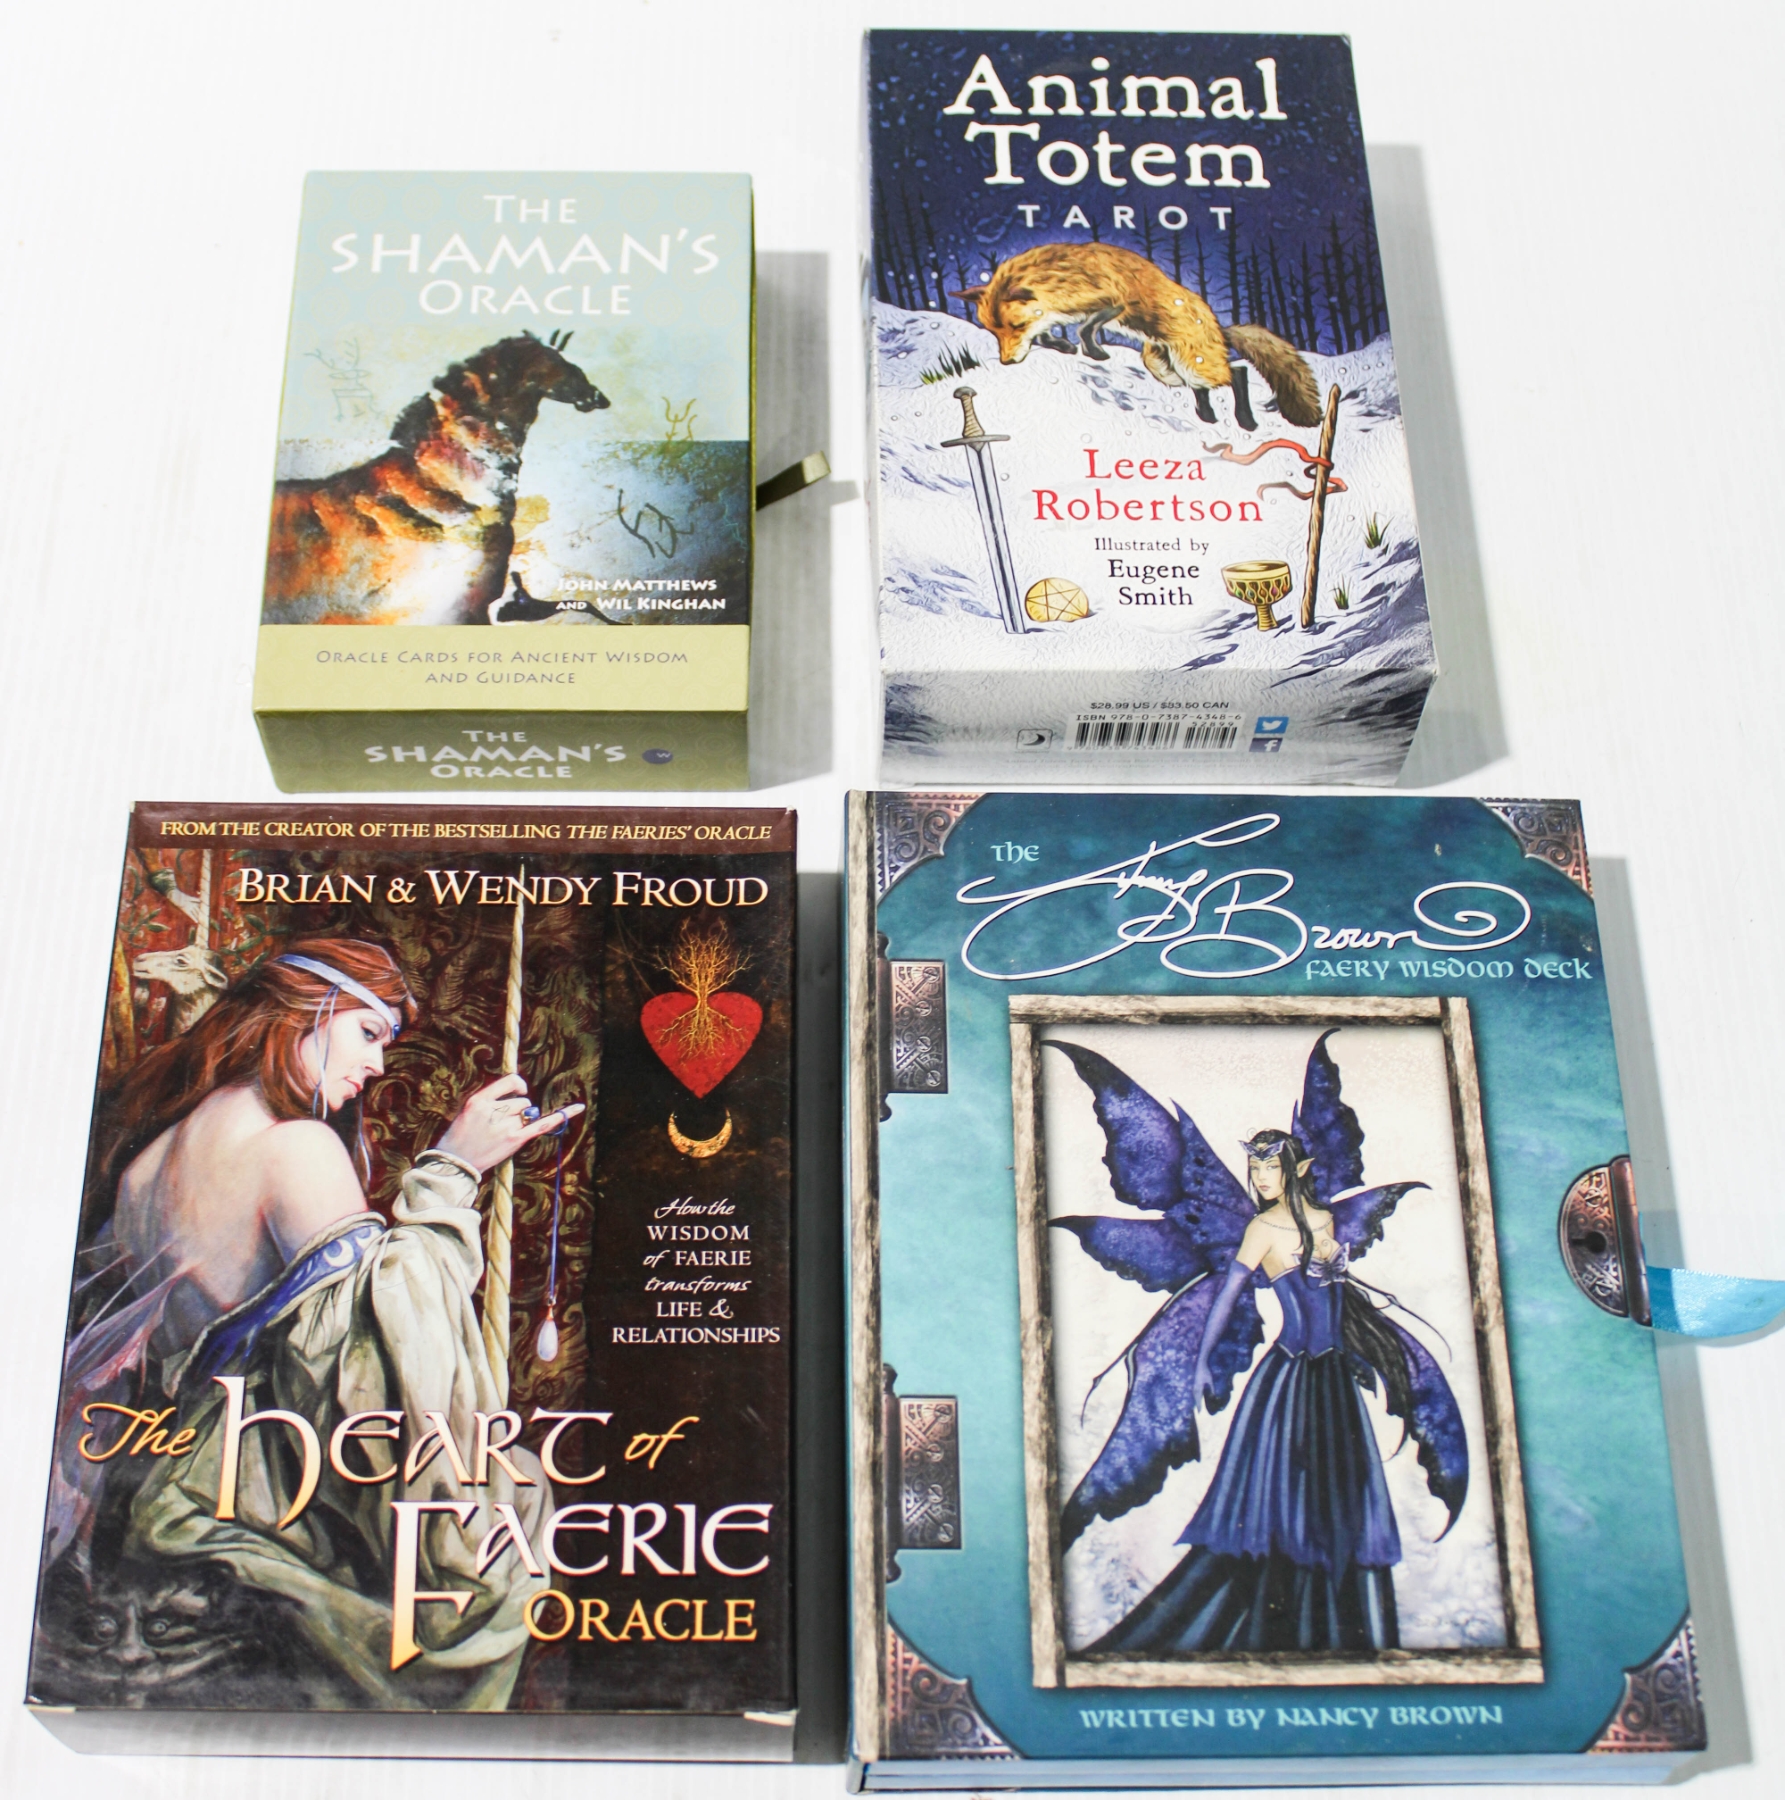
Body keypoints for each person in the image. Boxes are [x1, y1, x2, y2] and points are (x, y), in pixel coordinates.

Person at [41, 938, 580, 1709]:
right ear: (306, 1009)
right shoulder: (294, 1147)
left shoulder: (144, 1166)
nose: (377, 1065)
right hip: (261, 1493)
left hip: (163, 1492)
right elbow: (384, 1354)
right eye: (368, 1032)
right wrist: (452, 1169)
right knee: (513, 1500)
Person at [1089, 1129, 1401, 1655]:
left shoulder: (1325, 1221)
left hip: (1333, 1381)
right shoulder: (1260, 1228)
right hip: (1290, 1377)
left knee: (1337, 1498)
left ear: (1298, 1171)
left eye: (1270, 1168)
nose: (1260, 1178)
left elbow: (1336, 1302)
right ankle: (1279, 1625)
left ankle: (1328, 1629)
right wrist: (1203, 1360)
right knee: (1279, 1503)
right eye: (1255, 1169)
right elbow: (1228, 1296)